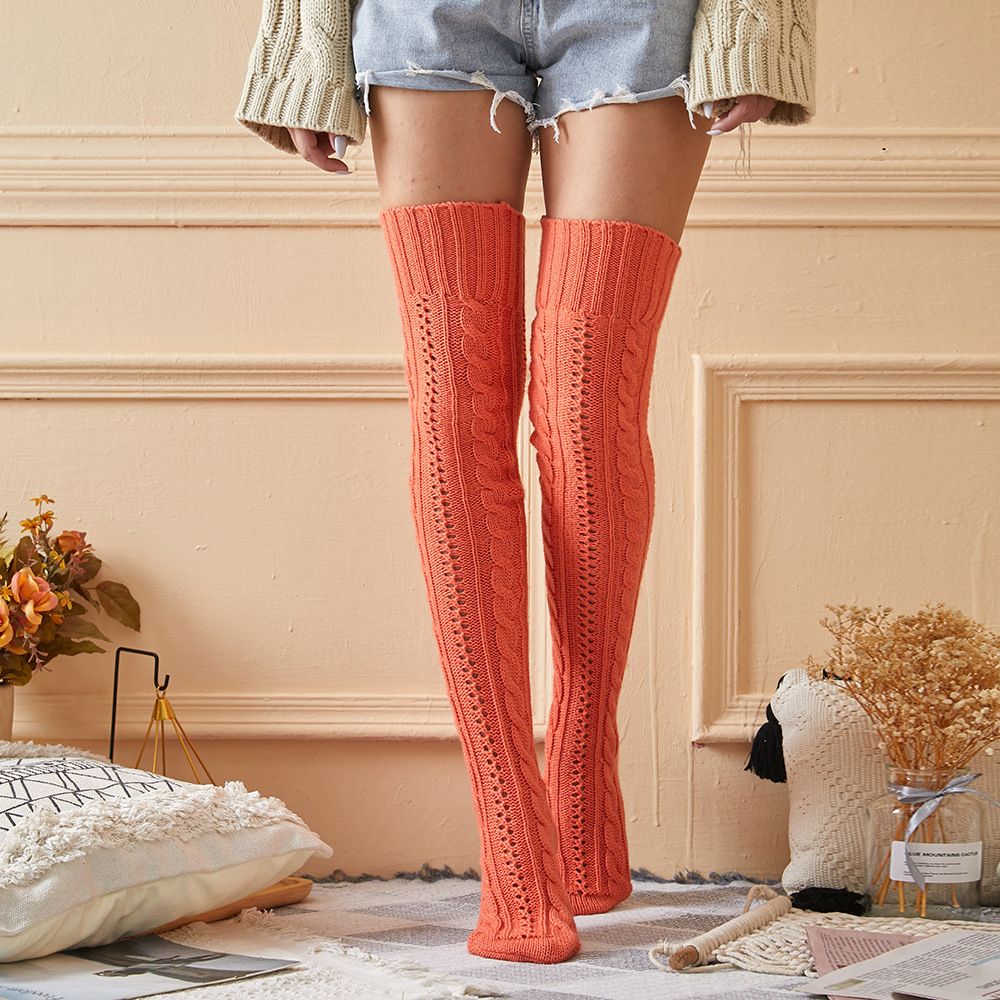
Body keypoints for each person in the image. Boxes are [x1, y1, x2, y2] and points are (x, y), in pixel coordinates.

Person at [235, 0, 816, 966]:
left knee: (590, 409)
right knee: (455, 411)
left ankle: (580, 760)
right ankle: (512, 829)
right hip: (425, 17)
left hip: (638, 16)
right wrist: (303, 36)